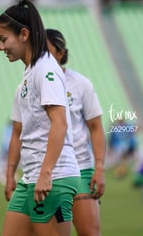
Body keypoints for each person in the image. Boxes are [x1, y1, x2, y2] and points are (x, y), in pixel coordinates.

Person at [0, 0, 80, 236]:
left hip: (55, 176)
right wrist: (11, 174)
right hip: (30, 177)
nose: (1, 47)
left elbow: (60, 123)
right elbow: (19, 131)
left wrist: (46, 174)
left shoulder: (46, 70)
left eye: (3, 39)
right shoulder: (30, 72)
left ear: (23, 34)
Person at [46, 28, 105, 236]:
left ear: (60, 53)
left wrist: (99, 168)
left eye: (46, 49)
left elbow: (96, 128)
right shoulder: (32, 83)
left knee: (89, 232)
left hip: (80, 167)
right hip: (46, 172)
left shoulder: (81, 84)